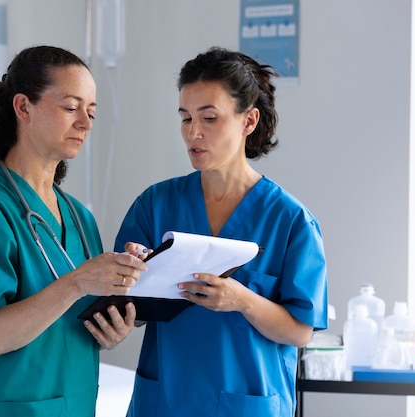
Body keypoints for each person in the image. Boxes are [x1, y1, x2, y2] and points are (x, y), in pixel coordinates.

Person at [114, 47, 328, 416]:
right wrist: (135, 274)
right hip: (166, 401)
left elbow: (299, 331)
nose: (193, 133)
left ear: (248, 121)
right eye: (185, 118)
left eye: (209, 118)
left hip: (246, 403)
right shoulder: (155, 204)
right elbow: (128, 309)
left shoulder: (290, 220)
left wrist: (242, 299)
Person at [0, 45, 148, 417]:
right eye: (71, 108)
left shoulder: (79, 218)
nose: (86, 123)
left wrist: (113, 326)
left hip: (77, 404)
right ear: (23, 108)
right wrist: (77, 283)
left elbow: (71, 324)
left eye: (91, 112)